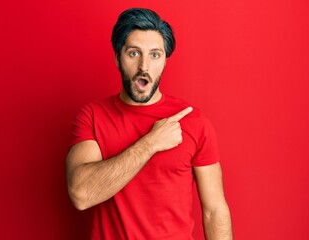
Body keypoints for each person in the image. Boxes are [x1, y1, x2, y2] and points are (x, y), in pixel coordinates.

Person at [66, 8, 233, 240]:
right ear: (117, 57)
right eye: (134, 53)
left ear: (165, 60)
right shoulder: (92, 116)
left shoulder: (193, 122)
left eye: (155, 55)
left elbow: (214, 211)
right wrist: (151, 143)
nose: (144, 66)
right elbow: (81, 194)